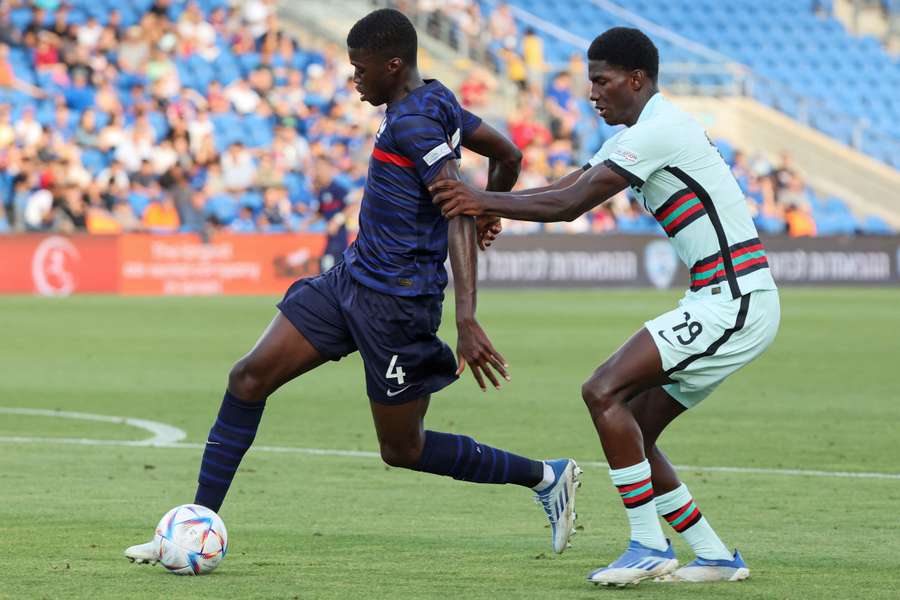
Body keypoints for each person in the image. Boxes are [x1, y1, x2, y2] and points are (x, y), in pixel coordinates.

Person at [124, 8, 581, 566]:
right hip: (351, 279)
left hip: (398, 302)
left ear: (393, 65)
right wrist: (491, 209)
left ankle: (545, 477)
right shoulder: (435, 100)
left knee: (403, 449)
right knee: (248, 378)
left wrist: (467, 311)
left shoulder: (416, 121)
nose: (354, 79)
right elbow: (506, 155)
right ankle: (191, 528)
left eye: (360, 70)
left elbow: (457, 204)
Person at [430, 27, 780, 586]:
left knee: (601, 390)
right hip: (727, 298)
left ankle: (646, 544)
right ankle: (714, 555)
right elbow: (573, 182)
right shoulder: (643, 130)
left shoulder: (660, 129)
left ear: (636, 80)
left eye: (602, 80)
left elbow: (571, 204)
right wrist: (496, 207)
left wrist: (481, 199)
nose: (591, 93)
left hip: (733, 299)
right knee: (634, 427)